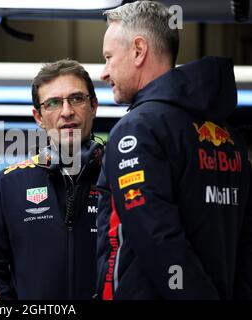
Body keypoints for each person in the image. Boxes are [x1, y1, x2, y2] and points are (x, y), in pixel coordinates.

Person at [95, 0, 252, 300]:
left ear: (139, 50)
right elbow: (246, 244)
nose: (104, 72)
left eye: (108, 57)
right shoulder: (229, 136)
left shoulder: (137, 130)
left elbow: (157, 240)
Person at [0, 59, 104, 299]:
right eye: (53, 103)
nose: (66, 111)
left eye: (76, 98)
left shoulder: (119, 178)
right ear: (38, 117)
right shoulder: (8, 184)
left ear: (93, 106)